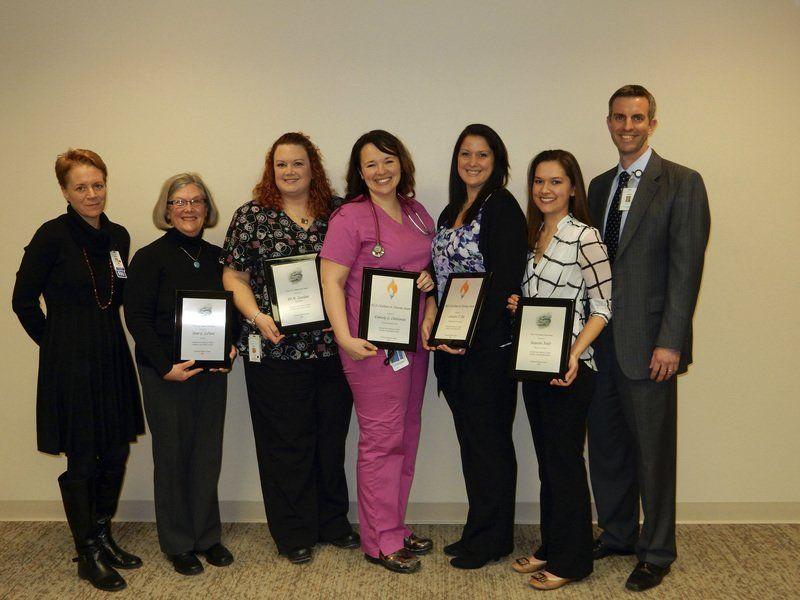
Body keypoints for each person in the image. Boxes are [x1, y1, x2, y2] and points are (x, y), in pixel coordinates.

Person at [586, 85, 710, 592]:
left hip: (651, 344)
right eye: (619, 117)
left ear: (652, 124)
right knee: (607, 447)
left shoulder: (682, 182)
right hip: (599, 343)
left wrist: (671, 341)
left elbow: (686, 268)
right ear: (609, 122)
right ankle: (617, 533)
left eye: (637, 118)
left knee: (654, 455)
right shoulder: (598, 186)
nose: (627, 126)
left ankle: (656, 551)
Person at [221, 133, 358, 564]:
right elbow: (233, 278)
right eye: (281, 164)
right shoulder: (251, 216)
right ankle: (293, 531)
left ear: (312, 168)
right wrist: (256, 316)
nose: (290, 171)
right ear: (271, 169)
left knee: (330, 440)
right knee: (285, 444)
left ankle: (332, 521)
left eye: (298, 163)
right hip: (275, 350)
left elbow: (361, 269)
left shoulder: (338, 212)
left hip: (331, 349)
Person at [12, 149, 144, 592]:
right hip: (70, 364)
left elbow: (119, 297)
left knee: (117, 450)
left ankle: (103, 535)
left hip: (111, 356)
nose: (91, 194)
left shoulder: (119, 236)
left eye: (97, 185)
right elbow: (22, 301)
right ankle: (86, 551)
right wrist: (53, 345)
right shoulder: (51, 235)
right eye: (81, 187)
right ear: (65, 191)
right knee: (83, 456)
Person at [320, 130, 436, 574]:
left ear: (401, 163)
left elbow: (428, 267)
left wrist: (428, 285)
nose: (381, 171)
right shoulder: (349, 217)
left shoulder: (417, 213)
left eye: (388, 161)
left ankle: (396, 527)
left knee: (406, 435)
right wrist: (343, 337)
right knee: (382, 440)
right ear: (359, 171)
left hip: (413, 345)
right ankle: (379, 540)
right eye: (371, 164)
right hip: (369, 349)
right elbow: (331, 281)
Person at [507, 150, 612, 590]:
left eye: (555, 181)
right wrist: (520, 304)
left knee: (565, 464)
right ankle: (552, 545)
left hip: (571, 369)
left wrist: (574, 353)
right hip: (535, 366)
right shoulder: (534, 235)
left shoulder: (585, 237)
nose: (545, 189)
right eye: (538, 181)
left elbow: (603, 307)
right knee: (549, 464)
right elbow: (543, 305)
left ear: (572, 188)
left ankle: (573, 561)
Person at [124, 173, 235, 576]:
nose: (189, 209)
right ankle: (177, 542)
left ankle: (207, 536)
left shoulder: (219, 257)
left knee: (207, 454)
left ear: (207, 208)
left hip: (210, 372)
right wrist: (164, 366)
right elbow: (136, 318)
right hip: (165, 374)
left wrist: (232, 347)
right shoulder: (149, 257)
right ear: (167, 210)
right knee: (172, 456)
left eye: (196, 201)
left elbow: (236, 307)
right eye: (180, 202)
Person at [428, 124, 528, 569]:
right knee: (472, 445)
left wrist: (467, 338)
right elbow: (440, 273)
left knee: (490, 446)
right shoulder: (451, 211)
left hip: (487, 352)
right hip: (452, 353)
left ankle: (493, 539)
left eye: (482, 154)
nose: (473, 162)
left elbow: (505, 282)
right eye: (465, 154)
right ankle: (479, 529)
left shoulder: (502, 207)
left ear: (497, 161)